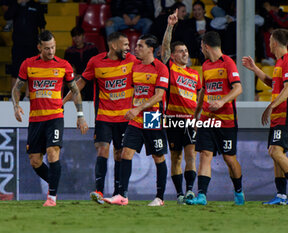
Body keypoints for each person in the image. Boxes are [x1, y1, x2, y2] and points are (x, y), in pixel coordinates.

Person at [11, 30, 88, 207]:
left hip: (55, 116)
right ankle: (55, 182)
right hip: (36, 119)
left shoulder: (64, 65)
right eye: (47, 48)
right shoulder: (28, 64)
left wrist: (80, 115)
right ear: (39, 47)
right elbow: (17, 88)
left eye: (53, 47)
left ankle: (51, 198)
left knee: (53, 152)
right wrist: (16, 105)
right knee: (35, 160)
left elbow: (75, 91)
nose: (51, 51)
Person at [63, 32, 138, 204]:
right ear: (114, 46)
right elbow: (79, 84)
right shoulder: (96, 62)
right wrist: (63, 102)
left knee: (120, 154)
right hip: (104, 116)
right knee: (102, 149)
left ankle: (118, 193)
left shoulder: (132, 61)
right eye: (125, 45)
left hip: (125, 118)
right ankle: (98, 191)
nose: (128, 48)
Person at [103, 34, 169, 207]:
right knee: (126, 153)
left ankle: (160, 197)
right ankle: (122, 195)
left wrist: (138, 108)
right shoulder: (136, 67)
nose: (136, 49)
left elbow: (159, 95)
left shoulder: (161, 68)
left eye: (140, 46)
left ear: (150, 49)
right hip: (136, 118)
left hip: (153, 116)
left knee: (158, 156)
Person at [242, 28, 288, 205]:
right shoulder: (280, 63)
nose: (268, 43)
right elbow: (273, 83)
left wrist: (271, 106)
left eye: (270, 40)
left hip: (287, 114)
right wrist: (255, 69)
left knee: (275, 151)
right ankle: (281, 195)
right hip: (279, 115)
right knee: (275, 152)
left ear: (275, 43)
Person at [186, 31, 244, 206]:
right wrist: (196, 115)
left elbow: (238, 88)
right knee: (205, 154)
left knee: (229, 159)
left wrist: (222, 101)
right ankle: (202, 196)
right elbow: (204, 91)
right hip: (206, 119)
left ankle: (239, 191)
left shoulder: (228, 63)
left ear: (206, 46)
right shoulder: (205, 65)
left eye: (201, 47)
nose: (201, 50)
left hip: (226, 121)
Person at [161, 10, 201, 204]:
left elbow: (200, 96)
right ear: (174, 56)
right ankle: (179, 194)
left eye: (186, 51)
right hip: (173, 119)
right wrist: (170, 26)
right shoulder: (170, 68)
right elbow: (165, 48)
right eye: (181, 51)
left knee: (191, 154)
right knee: (176, 157)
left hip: (191, 120)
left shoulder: (195, 74)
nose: (184, 53)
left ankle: (190, 190)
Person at [5, 0, 46, 98]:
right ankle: (15, 96)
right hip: (18, 45)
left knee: (31, 71)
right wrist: (18, 3)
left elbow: (42, 25)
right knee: (16, 71)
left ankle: (28, 97)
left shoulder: (36, 6)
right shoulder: (15, 5)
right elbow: (7, 16)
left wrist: (43, 42)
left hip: (32, 45)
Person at [64, 26, 98, 101]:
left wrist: (85, 76)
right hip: (76, 78)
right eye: (74, 36)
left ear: (83, 36)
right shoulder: (69, 51)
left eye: (78, 35)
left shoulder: (92, 48)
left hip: (89, 77)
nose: (76, 39)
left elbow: (96, 65)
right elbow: (68, 68)